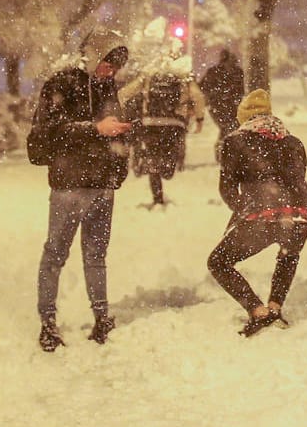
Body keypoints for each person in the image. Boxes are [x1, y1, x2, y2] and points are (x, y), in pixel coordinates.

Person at [30, 30, 134, 352]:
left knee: (96, 255)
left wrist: (119, 160)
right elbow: (49, 132)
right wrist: (95, 129)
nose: (110, 70)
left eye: (115, 65)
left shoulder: (107, 88)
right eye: (106, 62)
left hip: (101, 185)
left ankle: (102, 317)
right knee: (55, 254)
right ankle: (47, 322)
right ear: (92, 54)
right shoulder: (62, 84)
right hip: (69, 184)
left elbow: (113, 132)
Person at [208, 88, 307, 337]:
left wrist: (243, 211)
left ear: (244, 117)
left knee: (218, 262)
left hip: (263, 214)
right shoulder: (293, 142)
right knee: (288, 253)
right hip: (300, 214)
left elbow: (227, 188)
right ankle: (275, 307)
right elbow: (297, 180)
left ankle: (258, 311)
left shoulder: (233, 141)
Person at [124, 39, 206, 207]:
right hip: (174, 123)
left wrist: (114, 104)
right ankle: (167, 169)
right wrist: (199, 118)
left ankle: (157, 196)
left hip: (151, 122)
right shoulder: (183, 73)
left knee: (153, 160)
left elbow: (128, 91)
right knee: (169, 163)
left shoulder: (151, 72)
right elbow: (197, 96)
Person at [202, 47, 247, 139]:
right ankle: (226, 148)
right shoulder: (237, 72)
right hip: (230, 106)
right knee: (229, 128)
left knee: (226, 129)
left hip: (218, 106)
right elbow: (241, 91)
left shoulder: (213, 71)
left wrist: (210, 99)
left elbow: (203, 87)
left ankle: (224, 148)